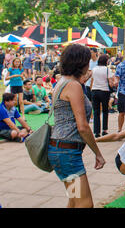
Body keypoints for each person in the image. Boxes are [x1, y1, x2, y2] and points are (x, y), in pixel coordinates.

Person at [47, 44, 105, 208]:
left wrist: (81, 82)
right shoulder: (73, 86)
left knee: (74, 200)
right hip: (67, 153)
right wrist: (98, 153)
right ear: (81, 63)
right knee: (84, 204)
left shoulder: (63, 82)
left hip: (60, 150)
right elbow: (83, 126)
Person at [91, 54, 115, 138]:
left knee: (96, 112)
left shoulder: (94, 69)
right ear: (106, 61)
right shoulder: (107, 70)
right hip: (104, 91)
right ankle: (104, 130)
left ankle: (96, 132)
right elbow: (110, 83)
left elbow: (92, 80)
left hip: (95, 91)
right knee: (105, 111)